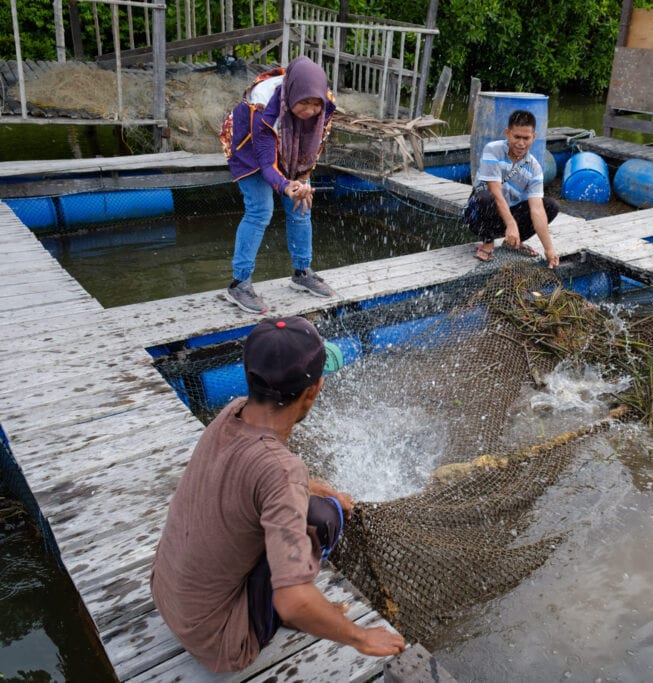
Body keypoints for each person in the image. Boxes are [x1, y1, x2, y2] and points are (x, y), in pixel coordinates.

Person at [151, 316, 405, 672]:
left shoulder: (232, 413)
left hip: (172, 599)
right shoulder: (281, 470)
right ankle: (266, 620)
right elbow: (293, 601)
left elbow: (264, 478)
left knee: (314, 502)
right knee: (325, 516)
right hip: (222, 642)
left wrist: (312, 485)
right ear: (313, 389)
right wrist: (360, 637)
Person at [221, 56, 338, 314]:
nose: (309, 110)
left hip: (293, 140)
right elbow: (266, 165)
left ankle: (302, 271)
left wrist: (302, 180)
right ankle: (239, 283)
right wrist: (285, 185)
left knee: (301, 205)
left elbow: (314, 144)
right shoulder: (263, 108)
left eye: (314, 105)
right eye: (303, 103)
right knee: (260, 209)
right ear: (291, 96)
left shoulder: (325, 102)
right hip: (249, 145)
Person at [464, 109, 560, 268]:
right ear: (508, 133)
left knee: (550, 205)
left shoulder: (534, 167)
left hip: (507, 215)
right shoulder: (492, 150)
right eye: (517, 137)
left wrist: (549, 249)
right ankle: (488, 242)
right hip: (479, 215)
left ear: (534, 137)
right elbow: (495, 191)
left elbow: (536, 209)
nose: (521, 143)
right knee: (486, 197)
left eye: (526, 138)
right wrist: (511, 223)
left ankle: (515, 241)